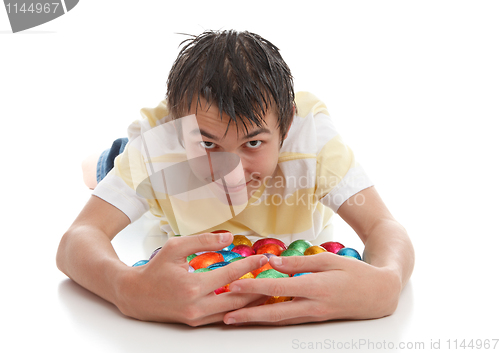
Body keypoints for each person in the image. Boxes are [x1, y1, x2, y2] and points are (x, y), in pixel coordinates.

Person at [57, 30, 415, 326]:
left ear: (287, 126)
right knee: (98, 169)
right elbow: (78, 239)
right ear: (177, 128)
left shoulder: (315, 145)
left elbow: (383, 225)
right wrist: (126, 289)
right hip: (160, 180)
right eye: (210, 143)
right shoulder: (157, 147)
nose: (231, 170)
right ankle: (109, 159)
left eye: (253, 142)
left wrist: (388, 281)